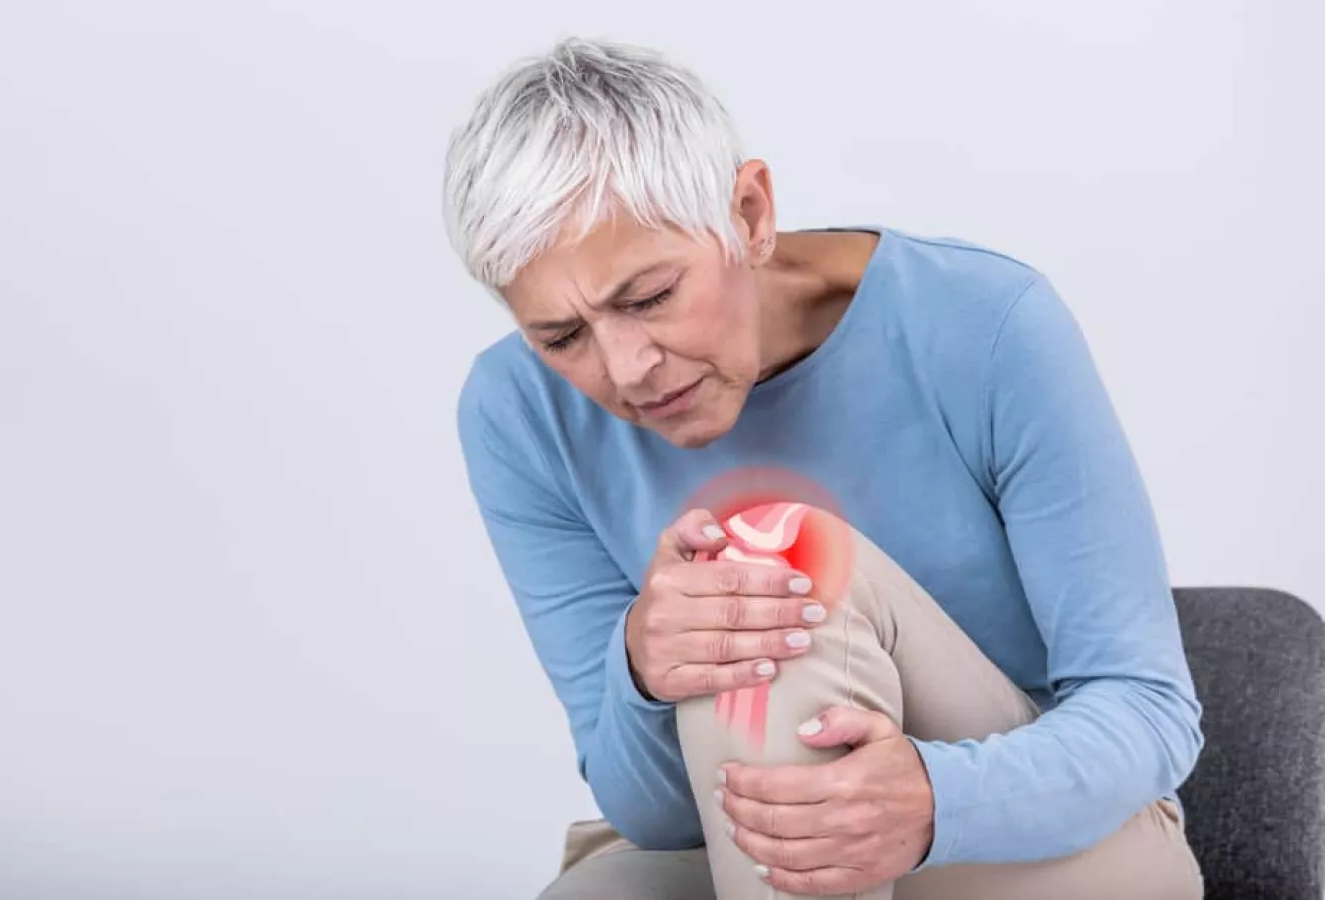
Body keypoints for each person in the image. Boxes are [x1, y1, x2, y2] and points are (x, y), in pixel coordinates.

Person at [442, 36, 1205, 900]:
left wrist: (929, 798)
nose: (624, 369)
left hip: (1049, 838)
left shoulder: (986, 325)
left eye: (649, 297)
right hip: (750, 840)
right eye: (561, 336)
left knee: (772, 556)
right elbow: (654, 817)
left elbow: (1149, 713)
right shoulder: (517, 414)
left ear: (751, 213)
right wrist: (645, 665)